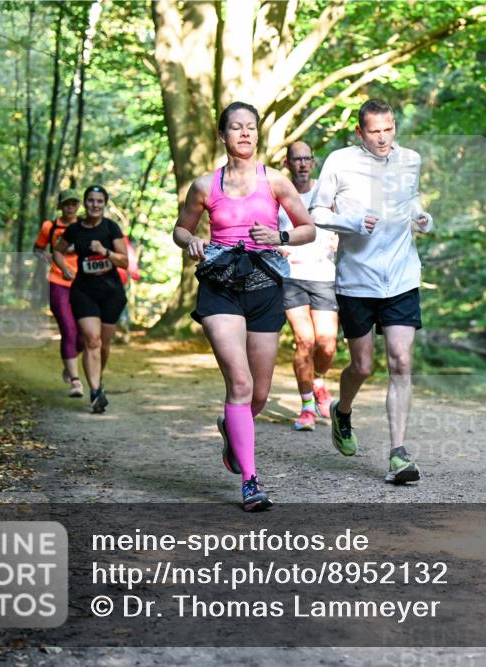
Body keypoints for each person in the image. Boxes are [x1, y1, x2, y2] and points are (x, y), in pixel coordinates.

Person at [172, 101, 314, 511]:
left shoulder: (276, 182)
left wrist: (278, 238)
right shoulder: (204, 186)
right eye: (236, 127)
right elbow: (181, 229)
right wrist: (192, 241)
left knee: (261, 391)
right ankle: (251, 482)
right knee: (240, 383)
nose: (245, 133)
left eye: (250, 127)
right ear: (224, 136)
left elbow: (307, 229)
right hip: (220, 286)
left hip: (265, 285)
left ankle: (232, 428)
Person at [309, 99, 433, 485]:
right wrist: (349, 221)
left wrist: (423, 216)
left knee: (401, 361)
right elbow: (316, 213)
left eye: (389, 129)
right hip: (356, 279)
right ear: (359, 133)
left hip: (401, 276)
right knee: (362, 366)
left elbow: (408, 201)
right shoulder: (339, 161)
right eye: (375, 131)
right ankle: (342, 412)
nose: (383, 139)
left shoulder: (409, 159)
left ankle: (398, 453)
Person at [277, 141, 339, 431]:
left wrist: (340, 237)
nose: (301, 164)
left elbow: (343, 223)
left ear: (313, 163)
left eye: (306, 159)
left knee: (327, 343)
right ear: (287, 163)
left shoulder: (325, 193)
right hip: (291, 275)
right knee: (305, 340)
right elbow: (260, 228)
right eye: (295, 159)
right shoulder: (277, 194)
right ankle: (306, 408)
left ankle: (318, 382)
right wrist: (275, 247)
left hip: (324, 275)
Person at [53, 185, 128, 414]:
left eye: (99, 201)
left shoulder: (111, 228)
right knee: (92, 340)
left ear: (104, 204)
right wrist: (64, 267)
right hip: (84, 291)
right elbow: (57, 250)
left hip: (111, 292)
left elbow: (124, 262)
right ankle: (95, 392)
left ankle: (97, 378)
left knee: (103, 345)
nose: (95, 205)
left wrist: (105, 252)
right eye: (91, 201)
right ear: (85, 204)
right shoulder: (75, 230)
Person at [33, 189, 84, 397]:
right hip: (57, 281)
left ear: (78, 206)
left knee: (84, 335)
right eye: (67, 203)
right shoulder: (50, 226)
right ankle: (75, 381)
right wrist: (47, 259)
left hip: (83, 284)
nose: (70, 207)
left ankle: (68, 364)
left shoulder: (85, 225)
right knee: (68, 330)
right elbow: (37, 248)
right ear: (61, 205)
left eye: (74, 203)